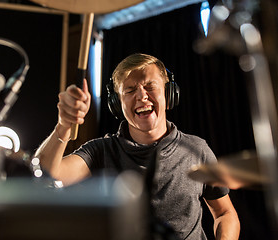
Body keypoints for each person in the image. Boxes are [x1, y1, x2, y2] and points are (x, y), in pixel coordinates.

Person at [35, 53, 240, 240]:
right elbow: (45, 174)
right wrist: (63, 126)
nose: (142, 96)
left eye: (150, 86)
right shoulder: (101, 151)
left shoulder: (197, 150)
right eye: (130, 90)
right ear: (117, 104)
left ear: (169, 95)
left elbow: (224, 213)